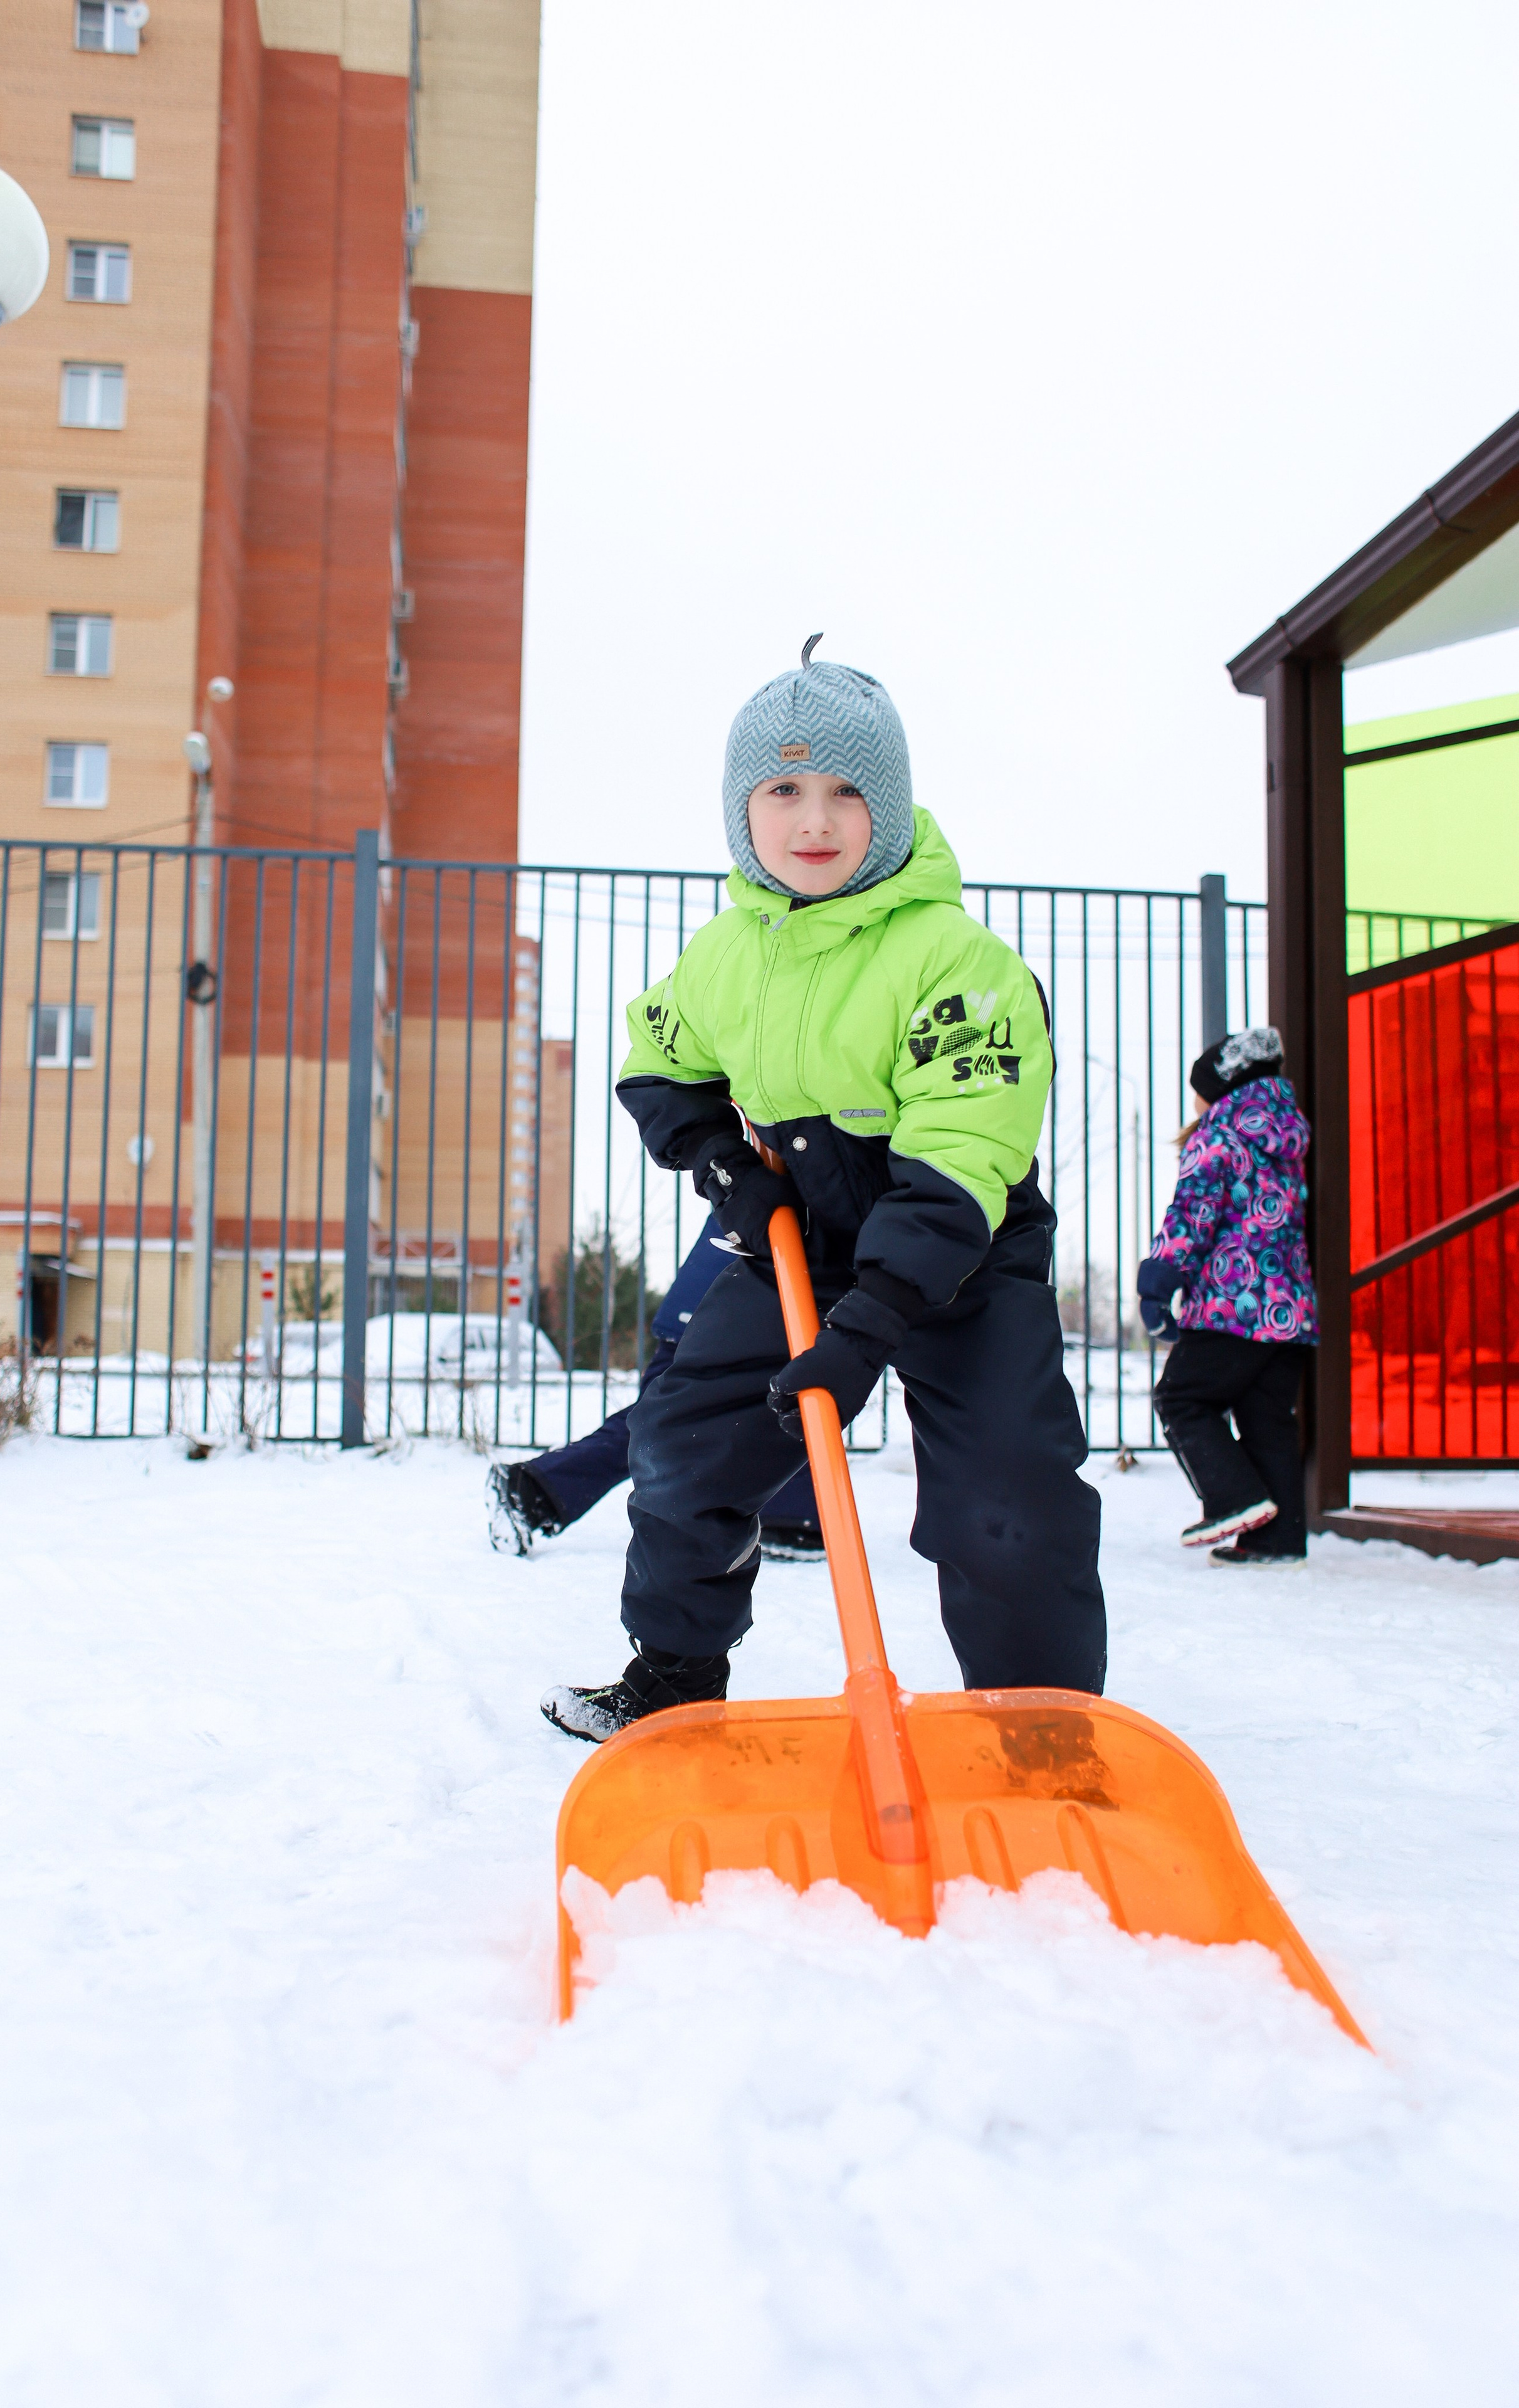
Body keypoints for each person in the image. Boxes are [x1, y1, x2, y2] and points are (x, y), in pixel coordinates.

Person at [540, 638, 1106, 1743]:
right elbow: (657, 1059)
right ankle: (673, 1684)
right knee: (685, 1443)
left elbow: (958, 1156)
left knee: (1007, 1501)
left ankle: (1040, 1732)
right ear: (740, 812)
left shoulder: (957, 959)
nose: (814, 819)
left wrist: (876, 1319)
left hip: (964, 1258)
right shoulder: (726, 954)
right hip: (801, 1239)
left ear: (889, 809)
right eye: (783, 790)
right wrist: (724, 1171)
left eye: (849, 791)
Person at [485, 1213, 824, 1561]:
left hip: (741, 1298)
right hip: (733, 1302)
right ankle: (532, 1490)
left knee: (683, 1418)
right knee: (663, 1422)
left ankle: (793, 1514)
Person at [1135, 1027, 1318, 1565]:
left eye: (1198, 1088)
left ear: (1220, 1085)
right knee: (1267, 1420)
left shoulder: (1220, 1135)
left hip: (1231, 1309)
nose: (1194, 1100)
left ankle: (1232, 1499)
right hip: (1291, 1316)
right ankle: (1278, 1540)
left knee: (1181, 1399)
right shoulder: (1289, 1136)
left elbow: (1192, 1215)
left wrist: (1159, 1281)